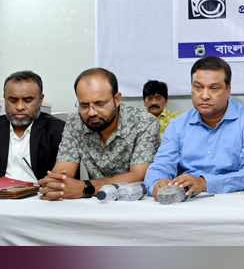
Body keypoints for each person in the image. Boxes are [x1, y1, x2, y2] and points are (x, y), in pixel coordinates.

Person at [145, 56, 244, 198]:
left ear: (228, 89)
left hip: (234, 202)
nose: (204, 96)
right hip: (187, 202)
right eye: (198, 87)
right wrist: (158, 182)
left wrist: (205, 183)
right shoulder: (177, 126)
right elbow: (160, 166)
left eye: (214, 88)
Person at [39, 68, 160, 200]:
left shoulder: (144, 122)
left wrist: (86, 188)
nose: (91, 113)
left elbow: (139, 175)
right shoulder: (75, 122)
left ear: (117, 99)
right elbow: (64, 169)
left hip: (134, 202)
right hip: (94, 204)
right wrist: (55, 185)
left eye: (100, 104)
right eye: (84, 106)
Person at [0, 71, 65, 183]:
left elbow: (66, 180)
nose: (19, 107)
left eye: (28, 100)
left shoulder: (59, 131)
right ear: (5, 98)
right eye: (12, 100)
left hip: (40, 192)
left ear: (40, 99)